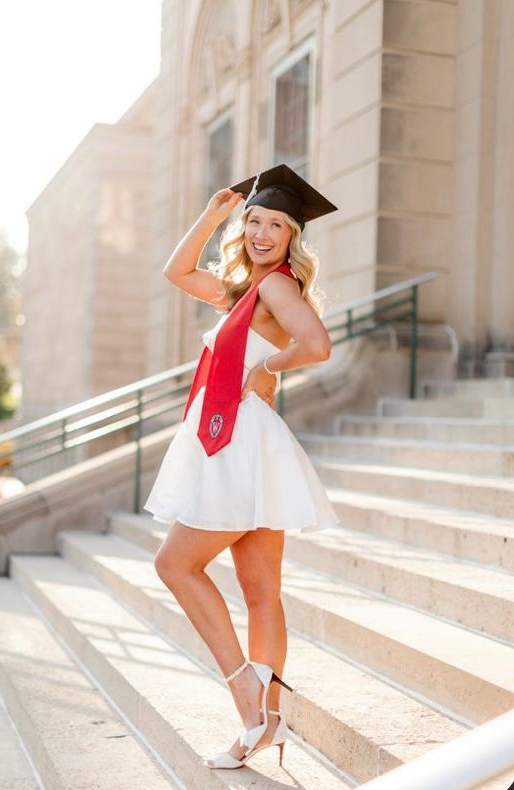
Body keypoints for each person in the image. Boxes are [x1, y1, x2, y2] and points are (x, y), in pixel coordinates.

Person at [144, 163, 340, 770]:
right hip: (241, 439)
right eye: (254, 220)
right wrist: (212, 213)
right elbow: (176, 272)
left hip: (236, 440)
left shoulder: (277, 287)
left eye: (276, 224)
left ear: (291, 238)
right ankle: (267, 724)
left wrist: (267, 371)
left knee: (175, 564)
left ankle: (245, 690)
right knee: (261, 595)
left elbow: (317, 344)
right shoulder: (243, 290)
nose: (261, 232)